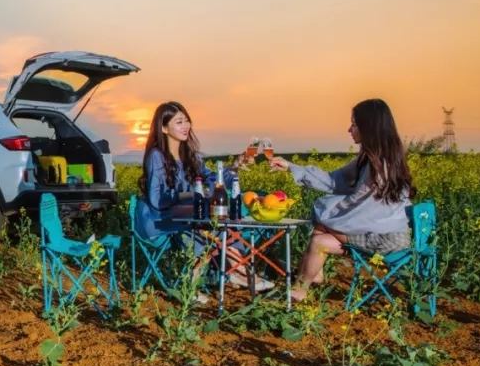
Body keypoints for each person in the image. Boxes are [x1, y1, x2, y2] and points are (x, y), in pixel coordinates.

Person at [270, 98, 415, 302]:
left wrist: (324, 210)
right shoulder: (374, 158)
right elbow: (333, 181)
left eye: (354, 124)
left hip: (386, 239)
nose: (349, 130)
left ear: (368, 127)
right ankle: (303, 285)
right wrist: (292, 167)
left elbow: (362, 210)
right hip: (381, 233)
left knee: (323, 220)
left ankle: (303, 284)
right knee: (319, 241)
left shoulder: (380, 167)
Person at [135, 101, 274, 295]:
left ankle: (227, 273)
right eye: (179, 122)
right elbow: (156, 200)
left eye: (186, 121)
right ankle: (236, 271)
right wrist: (191, 194)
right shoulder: (156, 156)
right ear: (164, 128)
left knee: (220, 215)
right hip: (158, 219)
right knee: (207, 219)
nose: (185, 126)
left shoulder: (189, 155)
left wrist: (235, 165)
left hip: (188, 214)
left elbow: (213, 179)